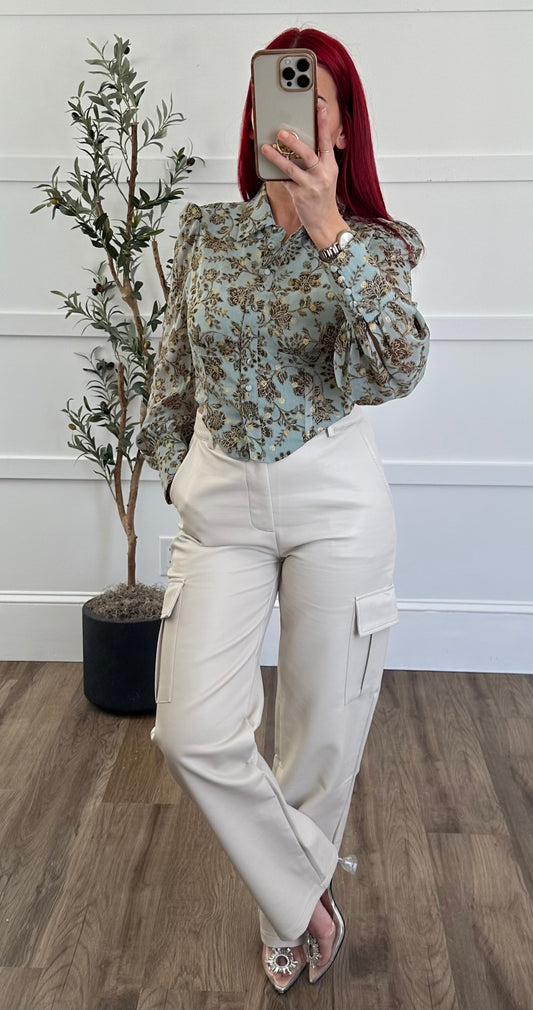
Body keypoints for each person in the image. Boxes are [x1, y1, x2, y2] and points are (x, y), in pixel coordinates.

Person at [137, 25, 430, 993]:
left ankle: (282, 914)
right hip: (220, 497)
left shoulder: (378, 245)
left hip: (332, 499)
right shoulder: (207, 234)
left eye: (318, 101)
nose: (295, 117)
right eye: (278, 96)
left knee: (320, 733)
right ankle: (312, 900)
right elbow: (174, 369)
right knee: (190, 728)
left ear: (341, 127)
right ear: (257, 113)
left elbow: (395, 369)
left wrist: (329, 232)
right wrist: (169, 471)